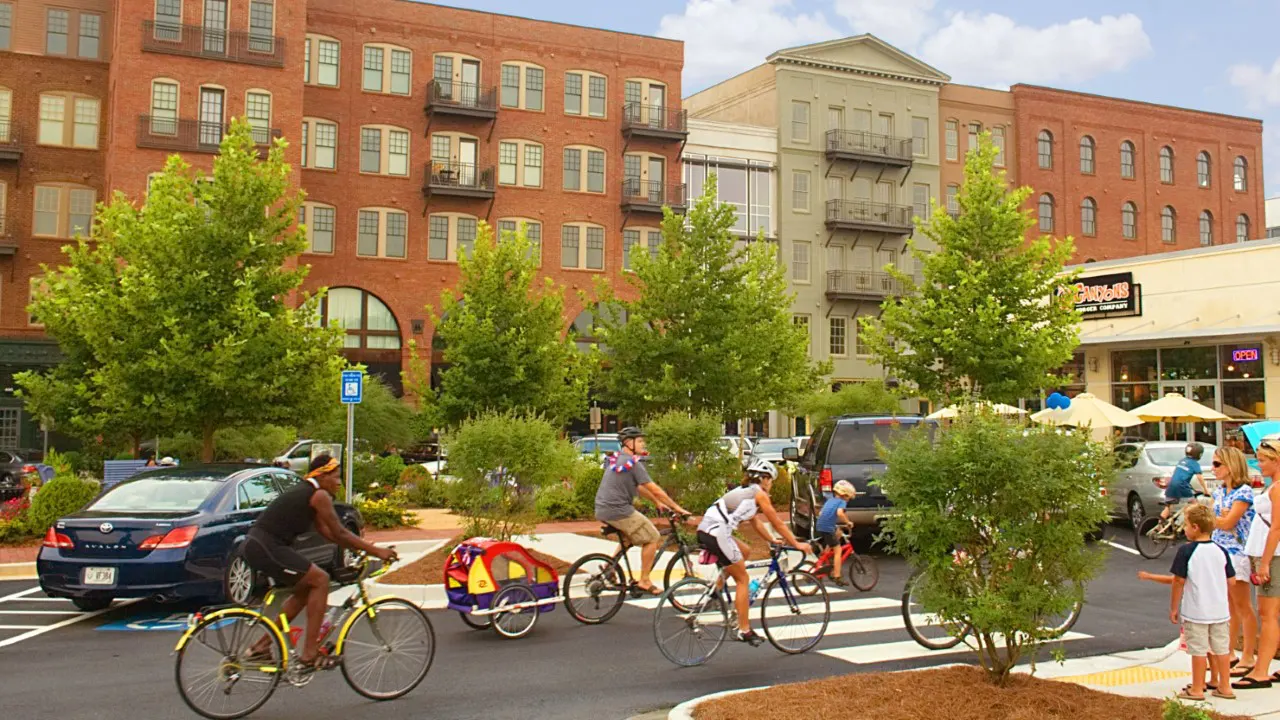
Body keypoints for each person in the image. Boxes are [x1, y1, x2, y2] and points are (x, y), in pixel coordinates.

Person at [243, 454, 397, 670]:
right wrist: (377, 551)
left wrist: (359, 549)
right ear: (322, 476)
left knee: (306, 590)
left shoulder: (310, 494)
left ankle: (261, 647)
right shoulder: (319, 495)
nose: (339, 482)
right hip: (267, 547)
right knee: (320, 580)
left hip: (260, 546)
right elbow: (340, 532)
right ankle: (310, 654)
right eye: (335, 476)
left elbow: (328, 533)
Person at [696, 457, 812, 646]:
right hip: (717, 532)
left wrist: (772, 540)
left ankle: (715, 592)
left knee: (745, 551)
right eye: (771, 480)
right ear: (764, 479)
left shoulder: (747, 492)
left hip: (709, 530)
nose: (771, 484)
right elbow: (776, 521)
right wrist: (797, 544)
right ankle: (744, 630)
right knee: (743, 579)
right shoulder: (758, 494)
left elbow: (756, 522)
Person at [1138, 503, 1236, 700]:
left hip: (1197, 611)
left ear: (1196, 527)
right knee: (1221, 649)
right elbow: (1231, 580)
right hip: (1220, 611)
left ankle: (1197, 688)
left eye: (1187, 525)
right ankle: (1225, 686)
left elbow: (1178, 581)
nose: (1184, 529)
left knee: (1198, 650)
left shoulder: (1186, 551)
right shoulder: (1221, 551)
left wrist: (1174, 607)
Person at [593, 427, 692, 596]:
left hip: (604, 508)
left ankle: (609, 568)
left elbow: (639, 487)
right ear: (628, 443)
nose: (643, 444)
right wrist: (677, 508)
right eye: (639, 441)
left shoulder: (617, 460)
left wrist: (657, 503)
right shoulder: (633, 464)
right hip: (618, 510)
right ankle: (645, 581)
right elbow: (654, 488)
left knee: (629, 537)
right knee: (652, 537)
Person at [1234, 439, 1280, 690]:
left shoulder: (1277, 488)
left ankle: (1261, 671)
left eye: (1262, 460)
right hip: (1266, 554)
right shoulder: (1272, 486)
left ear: (1276, 461)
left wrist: (1264, 563)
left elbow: (1276, 528)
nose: (1258, 464)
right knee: (1272, 612)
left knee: (1268, 614)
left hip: (1272, 556)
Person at [1210, 446, 1258, 677]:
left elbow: (1228, 522)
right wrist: (1219, 519)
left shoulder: (1244, 492)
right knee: (1228, 605)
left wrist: (1215, 519)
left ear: (1230, 465)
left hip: (1236, 552)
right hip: (1218, 548)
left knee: (1242, 604)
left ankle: (1248, 655)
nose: (1213, 469)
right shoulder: (1220, 491)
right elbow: (1220, 519)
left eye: (1217, 464)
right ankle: (1228, 652)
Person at [814, 481, 857, 586]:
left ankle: (825, 553)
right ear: (845, 495)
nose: (848, 499)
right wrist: (848, 522)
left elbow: (821, 513)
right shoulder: (842, 502)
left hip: (820, 525)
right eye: (848, 497)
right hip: (827, 527)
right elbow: (840, 513)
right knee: (838, 550)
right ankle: (837, 576)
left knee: (837, 533)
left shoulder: (830, 500)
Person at [1162, 442, 1209, 521]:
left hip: (1171, 487)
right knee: (1195, 505)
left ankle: (1159, 524)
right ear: (1199, 454)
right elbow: (1200, 477)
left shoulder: (1182, 461)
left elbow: (1179, 475)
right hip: (1182, 486)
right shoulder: (1194, 464)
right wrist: (1206, 490)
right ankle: (1185, 522)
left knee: (1168, 508)